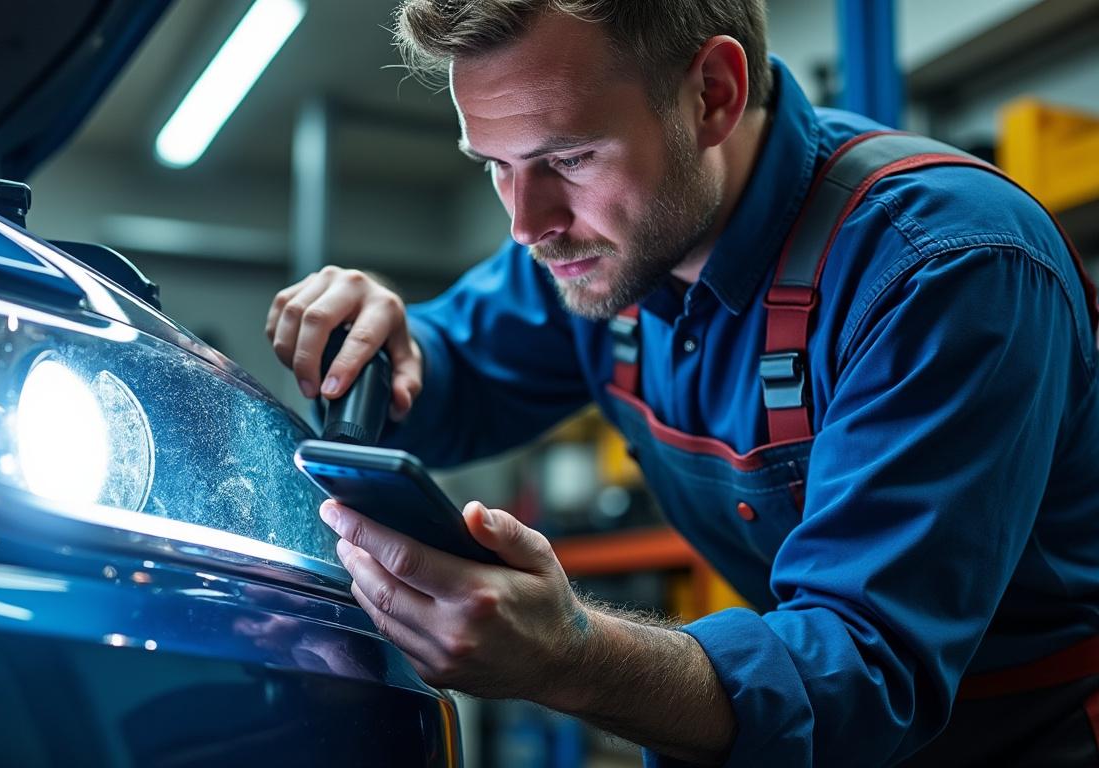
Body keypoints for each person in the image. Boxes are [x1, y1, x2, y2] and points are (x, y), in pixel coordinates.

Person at [265, 1, 1099, 765]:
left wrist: (572, 655)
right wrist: (384, 343)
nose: (527, 225)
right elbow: (459, 367)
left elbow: (865, 668)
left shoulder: (942, 270)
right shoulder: (599, 246)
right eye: (495, 164)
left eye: (570, 156)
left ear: (712, 94)